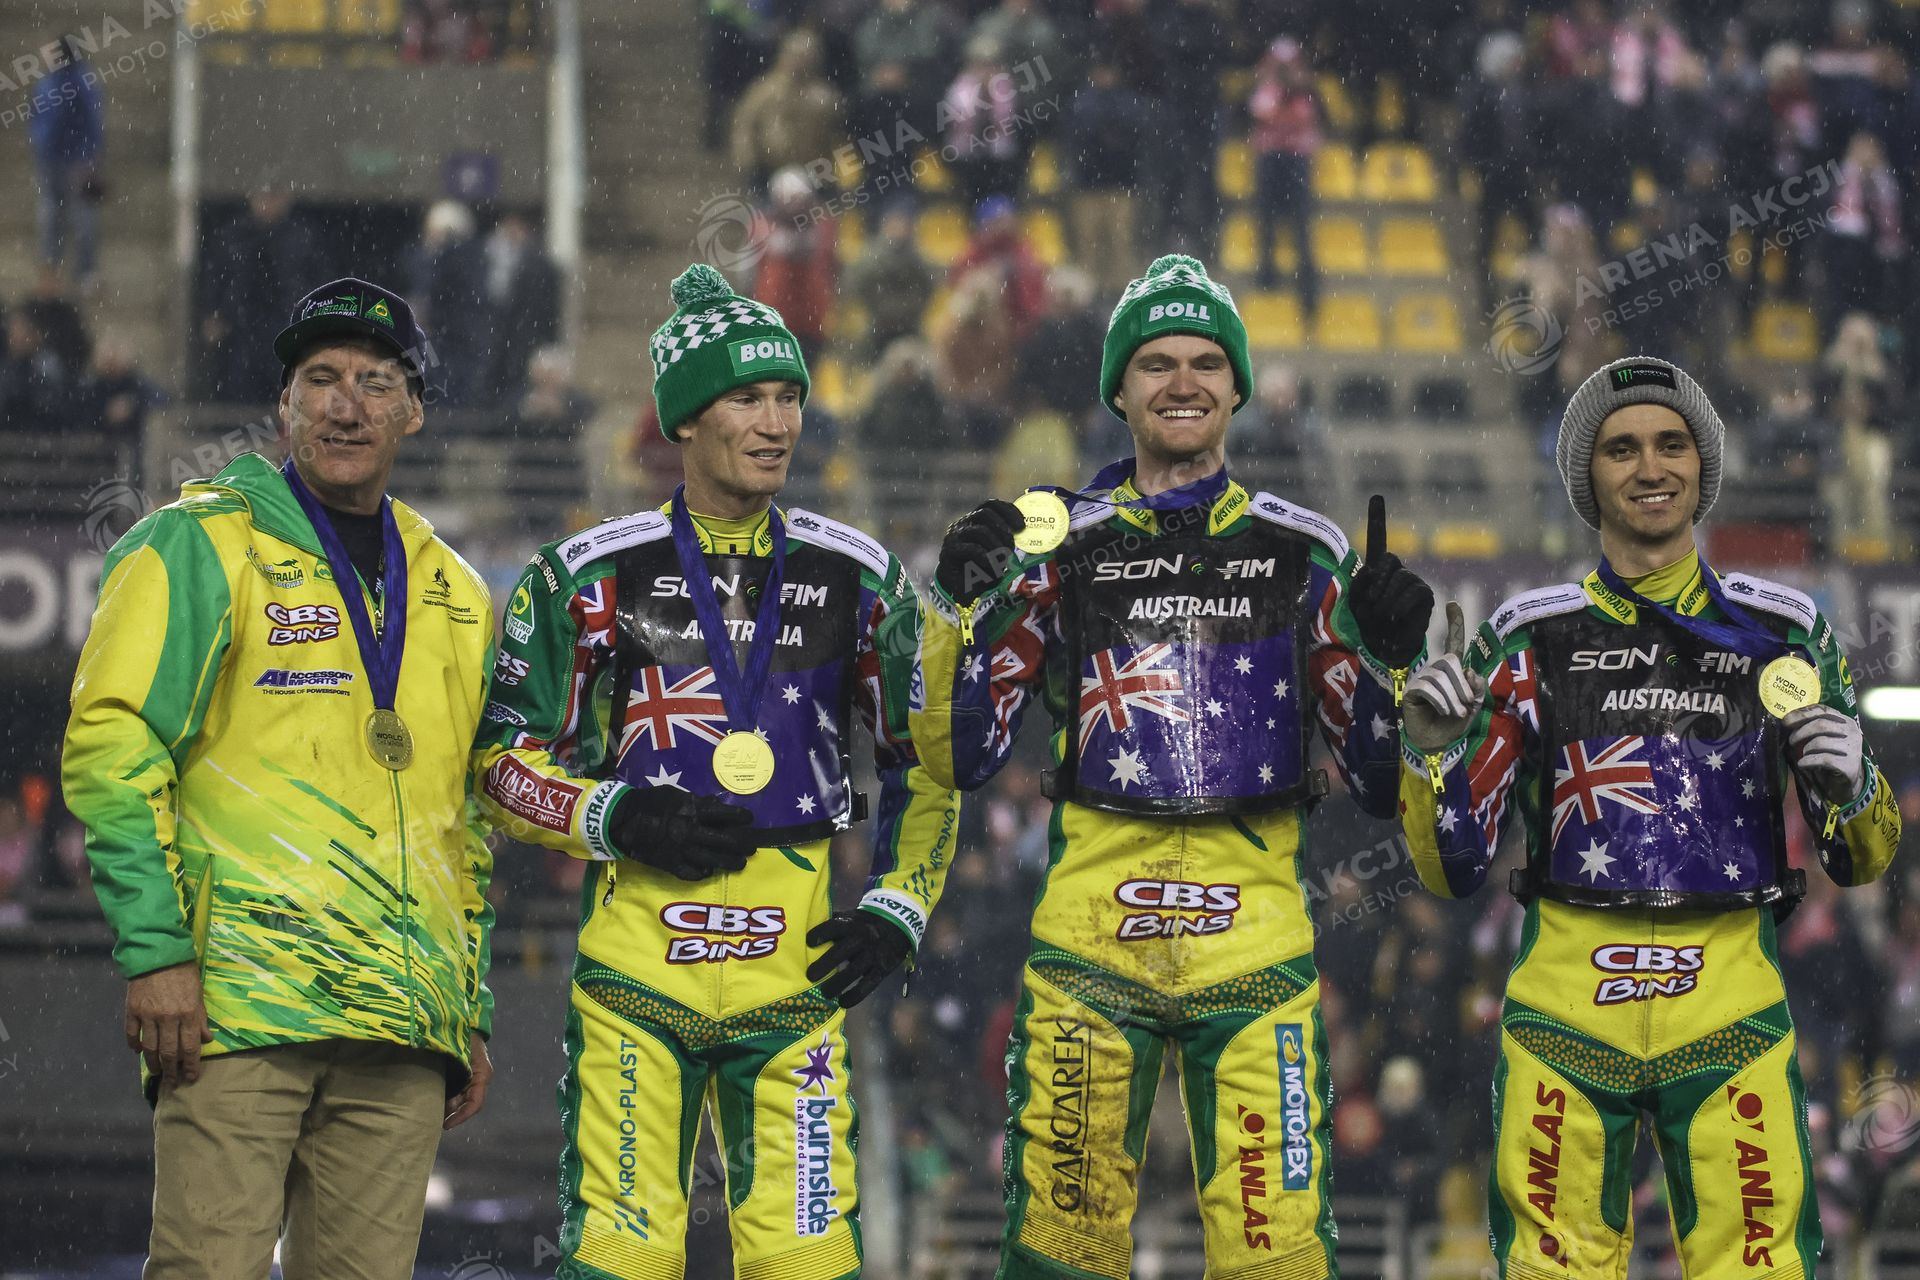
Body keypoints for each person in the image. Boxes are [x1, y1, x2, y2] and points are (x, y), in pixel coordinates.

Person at [915, 255, 1435, 1278]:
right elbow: (962, 751)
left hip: (1257, 953)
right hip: (1090, 948)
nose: (1183, 381)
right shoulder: (1058, 546)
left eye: (1206, 361)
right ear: (1119, 388)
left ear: (1239, 387)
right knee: (1059, 1254)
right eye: (1156, 362)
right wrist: (954, 611)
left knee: (1281, 1259)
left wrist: (1394, 661)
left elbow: (1379, 779)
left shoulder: (1304, 551)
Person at [473, 264, 960, 1278]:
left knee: (811, 1264)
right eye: (747, 398)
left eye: (789, 397)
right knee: (619, 1260)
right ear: (686, 418)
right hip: (636, 982)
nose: (778, 423)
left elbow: (929, 763)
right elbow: (499, 766)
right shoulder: (585, 575)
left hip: (797, 984)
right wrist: (613, 815)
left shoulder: (861, 576)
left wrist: (898, 909)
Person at [1398, 356, 1902, 1275]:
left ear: (1704, 467)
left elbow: (1861, 859)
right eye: (1621, 448)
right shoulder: (1524, 635)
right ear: (1585, 478)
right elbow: (1452, 867)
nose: (1650, 467)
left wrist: (1855, 791)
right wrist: (1428, 757)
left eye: (1672, 444)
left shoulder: (1786, 632)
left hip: (1731, 1009)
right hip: (1565, 1014)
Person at [62, 278, 498, 1280]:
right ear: (284, 405)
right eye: (321, 378)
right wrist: (155, 953)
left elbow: (467, 818)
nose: (347, 404)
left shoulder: (457, 591)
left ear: (414, 411)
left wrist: (465, 1006)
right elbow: (112, 747)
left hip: (402, 1025)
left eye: (376, 382)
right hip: (236, 1009)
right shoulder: (198, 542)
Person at [28, 36, 104, 290]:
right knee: (59, 214)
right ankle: (59, 269)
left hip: (71, 160)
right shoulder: (64, 82)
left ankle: (76, 270)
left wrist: (87, 156)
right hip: (57, 159)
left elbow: (90, 122)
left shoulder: (70, 83)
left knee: (76, 216)